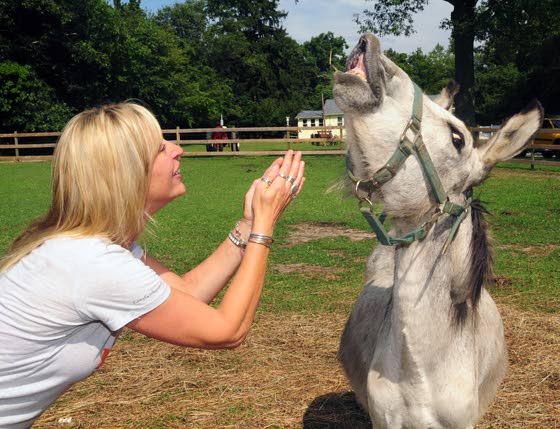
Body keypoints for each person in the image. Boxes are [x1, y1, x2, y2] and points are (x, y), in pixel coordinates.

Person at [0, 102, 305, 428]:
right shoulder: (91, 263)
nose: (178, 150)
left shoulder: (93, 246)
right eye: (160, 148)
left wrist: (246, 225)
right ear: (125, 172)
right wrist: (263, 229)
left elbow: (187, 293)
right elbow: (226, 330)